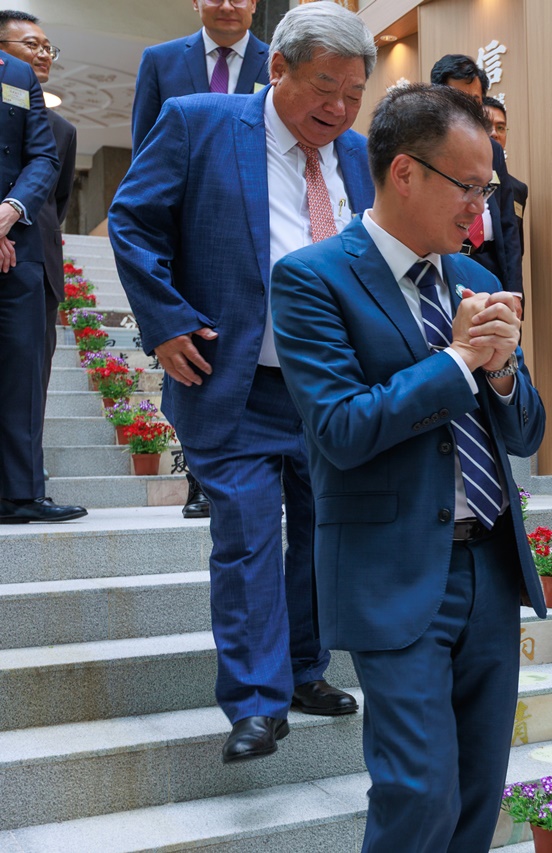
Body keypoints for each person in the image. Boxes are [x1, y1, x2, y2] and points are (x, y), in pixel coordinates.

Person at [271, 83, 546, 853]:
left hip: (489, 565)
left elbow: (526, 430)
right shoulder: (312, 278)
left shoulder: (477, 281)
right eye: (469, 188)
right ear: (404, 173)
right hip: (391, 571)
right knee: (418, 793)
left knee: (477, 795)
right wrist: (457, 360)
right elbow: (340, 428)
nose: (481, 212)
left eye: (487, 190)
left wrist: (500, 373)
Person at [109, 2, 373, 763]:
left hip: (329, 387)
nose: (338, 109)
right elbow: (132, 221)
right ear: (277, 67)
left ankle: (305, 670)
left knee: (321, 536)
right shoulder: (200, 122)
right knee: (249, 536)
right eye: (324, 86)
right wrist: (165, 321)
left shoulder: (357, 154)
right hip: (234, 380)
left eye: (354, 93)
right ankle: (256, 702)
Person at [130, 0, 270, 519]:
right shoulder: (161, 60)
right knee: (192, 354)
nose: (228, 4)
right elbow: (145, 153)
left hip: (262, 231)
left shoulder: (278, 59)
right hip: (191, 236)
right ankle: (200, 477)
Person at [0, 35, 85, 524]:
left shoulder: (16, 76)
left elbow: (45, 161)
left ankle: (20, 492)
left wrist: (9, 215)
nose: (43, 53)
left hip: (20, 247)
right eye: (31, 42)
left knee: (24, 374)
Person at [430, 54, 523, 300]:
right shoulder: (427, 147)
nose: (467, 108)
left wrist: (515, 291)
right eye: (457, 98)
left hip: (490, 260)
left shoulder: (493, 150)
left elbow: (508, 222)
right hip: (446, 261)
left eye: (474, 101)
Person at [131, 0, 269, 152]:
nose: (227, 7)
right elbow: (143, 146)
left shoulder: (276, 65)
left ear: (253, 4)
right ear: (196, 3)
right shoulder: (159, 60)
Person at [482, 95, 527, 258]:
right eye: (487, 126)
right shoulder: (456, 179)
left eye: (500, 128)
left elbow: (515, 247)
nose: (494, 133)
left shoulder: (518, 189)